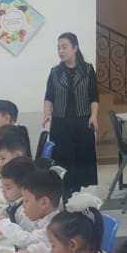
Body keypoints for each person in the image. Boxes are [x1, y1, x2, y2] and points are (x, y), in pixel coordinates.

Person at [43, 31, 99, 196]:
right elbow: (49, 97)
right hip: (60, 123)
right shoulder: (55, 72)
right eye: (58, 48)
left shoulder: (88, 70)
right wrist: (47, 113)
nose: (61, 51)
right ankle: (66, 195)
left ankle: (79, 195)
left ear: (75, 48)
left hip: (83, 122)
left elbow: (94, 96)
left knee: (82, 161)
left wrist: (94, 116)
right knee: (63, 162)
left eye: (64, 47)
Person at [0, 164, 63, 253]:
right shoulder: (41, 219)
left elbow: (25, 240)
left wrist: (2, 222)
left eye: (26, 200)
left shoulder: (55, 227)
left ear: (44, 202)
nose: (23, 205)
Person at [0, 157, 35, 225]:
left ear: (24, 188)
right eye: (2, 185)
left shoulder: (24, 212)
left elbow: (21, 232)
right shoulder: (17, 202)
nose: (3, 190)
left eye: (8, 188)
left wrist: (1, 222)